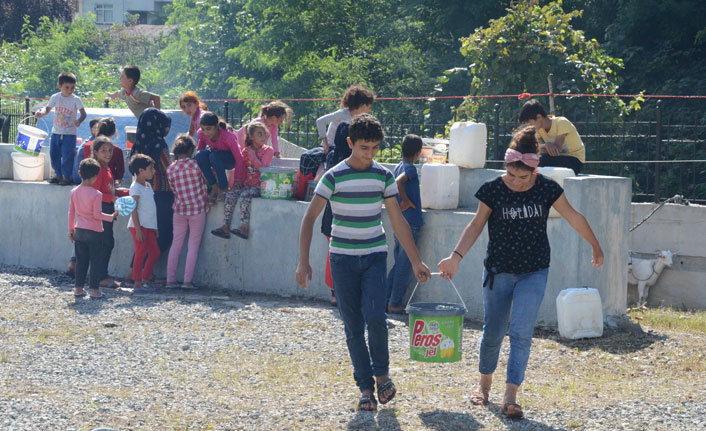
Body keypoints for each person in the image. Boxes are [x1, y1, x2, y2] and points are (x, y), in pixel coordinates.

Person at [437, 125, 604, 419]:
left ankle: (511, 396)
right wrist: (455, 257)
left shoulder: (547, 188)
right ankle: (484, 385)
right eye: (511, 175)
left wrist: (595, 245)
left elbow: (573, 216)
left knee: (521, 333)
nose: (515, 181)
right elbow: (475, 225)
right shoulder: (493, 189)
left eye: (522, 177)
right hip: (498, 270)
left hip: (534, 271)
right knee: (493, 332)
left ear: (535, 172)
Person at [296, 114, 431, 412]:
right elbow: (309, 218)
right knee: (354, 325)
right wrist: (303, 262)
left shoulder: (383, 176)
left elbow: (398, 221)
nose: (369, 154)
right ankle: (365, 388)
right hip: (342, 259)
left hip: (373, 256)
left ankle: (382, 375)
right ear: (350, 144)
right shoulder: (333, 176)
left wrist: (416, 261)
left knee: (375, 316)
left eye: (374, 148)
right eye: (363, 148)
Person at [127, 108, 174, 285]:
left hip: (146, 193)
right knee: (161, 236)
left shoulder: (138, 144)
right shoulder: (159, 144)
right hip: (161, 194)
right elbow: (168, 168)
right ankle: (143, 274)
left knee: (144, 238)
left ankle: (134, 272)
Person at [211, 122, 273, 240]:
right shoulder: (245, 151)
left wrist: (253, 156)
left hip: (259, 186)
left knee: (245, 196)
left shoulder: (268, 150)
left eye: (264, 134)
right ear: (251, 136)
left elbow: (264, 169)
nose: (264, 137)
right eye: (260, 134)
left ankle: (244, 228)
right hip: (247, 185)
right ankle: (225, 227)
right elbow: (242, 169)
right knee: (230, 195)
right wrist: (236, 183)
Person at [68, 158, 118, 299]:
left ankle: (78, 289)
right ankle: (95, 290)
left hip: (80, 231)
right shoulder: (97, 194)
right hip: (95, 232)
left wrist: (71, 230)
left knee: (81, 261)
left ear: (79, 173)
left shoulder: (74, 192)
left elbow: (71, 212)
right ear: (96, 176)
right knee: (95, 261)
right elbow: (97, 215)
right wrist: (111, 216)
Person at [386, 134, 424, 313]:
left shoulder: (398, 166)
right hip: (410, 223)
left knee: (398, 263)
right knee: (404, 264)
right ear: (418, 153)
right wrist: (407, 200)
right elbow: (398, 182)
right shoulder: (410, 169)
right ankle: (394, 302)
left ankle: (385, 299)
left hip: (399, 221)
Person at [166, 134, 209, 289]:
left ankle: (170, 280)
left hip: (179, 210)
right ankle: (187, 281)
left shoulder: (170, 169)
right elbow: (206, 181)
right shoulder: (197, 166)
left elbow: (173, 189)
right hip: (197, 209)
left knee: (176, 244)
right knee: (193, 246)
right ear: (192, 150)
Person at [35, 72, 87, 185]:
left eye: (72, 88)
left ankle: (67, 177)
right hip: (56, 132)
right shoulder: (55, 97)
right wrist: (41, 113)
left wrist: (79, 121)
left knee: (67, 155)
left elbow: (83, 114)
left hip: (70, 133)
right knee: (54, 154)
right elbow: (47, 109)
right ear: (60, 86)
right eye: (67, 87)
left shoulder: (75, 99)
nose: (70, 90)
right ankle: (58, 176)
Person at [519, 99, 585, 174]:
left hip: (575, 160)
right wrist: (546, 146)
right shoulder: (539, 129)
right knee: (530, 160)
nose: (528, 126)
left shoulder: (562, 122)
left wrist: (542, 148)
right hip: (557, 159)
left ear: (539, 117)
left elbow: (556, 151)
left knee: (542, 161)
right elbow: (536, 149)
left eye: (529, 123)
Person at [90, 136, 120, 289]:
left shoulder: (106, 168)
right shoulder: (98, 169)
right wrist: (112, 198)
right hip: (102, 209)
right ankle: (100, 276)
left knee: (107, 243)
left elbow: (107, 188)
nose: (108, 154)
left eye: (110, 150)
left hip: (108, 207)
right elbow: (95, 192)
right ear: (95, 152)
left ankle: (102, 274)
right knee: (105, 243)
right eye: (103, 151)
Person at [128, 154, 160, 293]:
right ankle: (137, 283)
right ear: (141, 171)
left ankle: (145, 279)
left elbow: (150, 208)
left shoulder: (147, 186)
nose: (153, 171)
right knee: (140, 253)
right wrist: (138, 229)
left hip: (149, 226)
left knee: (154, 252)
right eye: (150, 168)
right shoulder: (136, 188)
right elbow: (133, 209)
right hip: (139, 226)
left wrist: (155, 227)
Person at [195, 112, 245, 202]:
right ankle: (214, 187)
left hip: (230, 160)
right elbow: (200, 152)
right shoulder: (202, 134)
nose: (205, 132)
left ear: (216, 127)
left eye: (208, 129)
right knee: (199, 155)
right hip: (215, 158)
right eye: (203, 129)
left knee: (214, 156)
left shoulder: (228, 136)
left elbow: (239, 157)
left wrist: (238, 179)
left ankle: (224, 188)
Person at [315, 84, 374, 155]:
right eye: (369, 107)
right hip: (332, 149)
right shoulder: (342, 113)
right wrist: (325, 143)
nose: (369, 110)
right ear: (362, 106)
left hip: (347, 149)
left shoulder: (361, 118)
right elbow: (320, 121)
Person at [72, 117, 125, 187]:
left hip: (88, 185)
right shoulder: (117, 151)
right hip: (108, 186)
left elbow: (81, 166)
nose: (108, 154)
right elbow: (119, 175)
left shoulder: (86, 146)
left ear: (98, 129)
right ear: (114, 132)